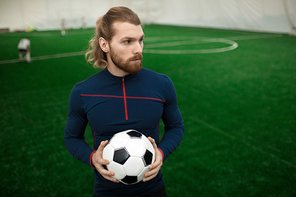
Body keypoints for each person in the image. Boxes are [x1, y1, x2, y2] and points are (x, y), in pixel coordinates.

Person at [64, 6, 184, 197]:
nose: (138, 49)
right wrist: (92, 157)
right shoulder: (83, 92)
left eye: (140, 40)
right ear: (105, 45)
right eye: (127, 41)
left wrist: (161, 152)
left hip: (153, 190)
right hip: (107, 192)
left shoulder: (161, 84)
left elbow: (176, 126)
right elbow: (72, 137)